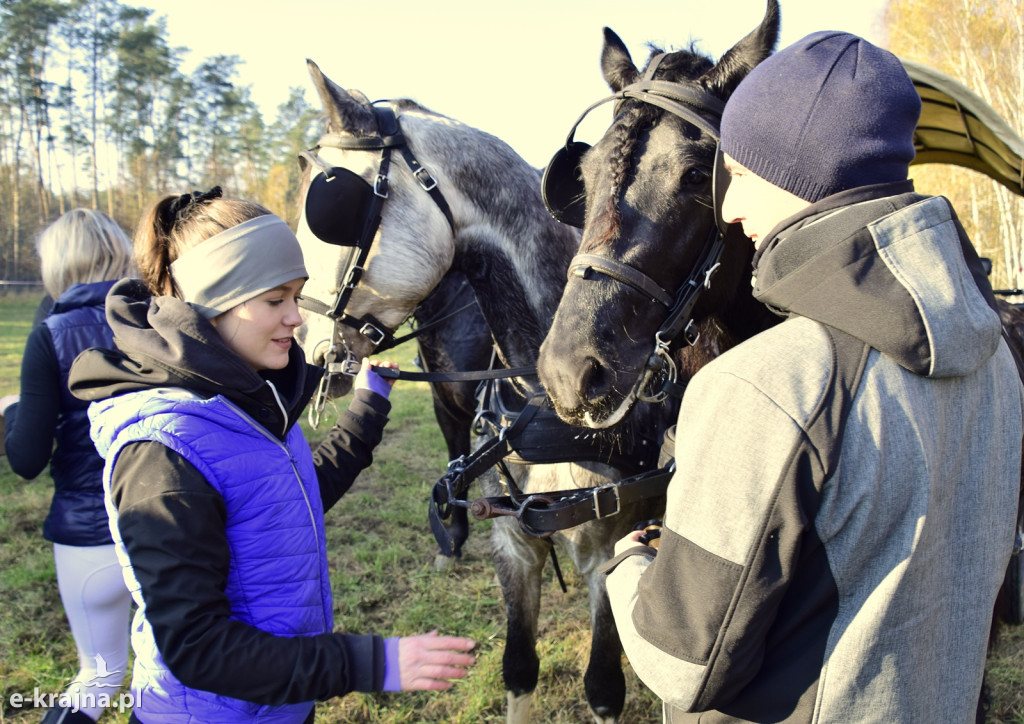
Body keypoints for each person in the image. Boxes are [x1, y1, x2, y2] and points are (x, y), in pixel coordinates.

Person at [600, 31, 1024, 723]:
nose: (730, 209)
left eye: (738, 174)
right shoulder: (994, 356)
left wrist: (627, 566)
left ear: (797, 171)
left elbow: (681, 664)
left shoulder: (768, 382)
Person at [67, 188, 475, 724]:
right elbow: (196, 647)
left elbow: (289, 498)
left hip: (278, 704)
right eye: (275, 299)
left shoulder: (248, 402)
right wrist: (371, 663)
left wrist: (368, 408)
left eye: (297, 298)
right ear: (214, 301)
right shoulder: (162, 449)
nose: (297, 320)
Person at [1, 209, 136, 724]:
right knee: (180, 672)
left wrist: (15, 408)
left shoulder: (51, 333)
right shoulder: (161, 318)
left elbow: (26, 458)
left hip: (89, 538)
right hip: (175, 529)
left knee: (99, 677)